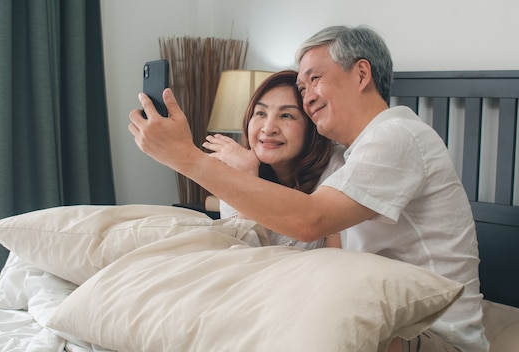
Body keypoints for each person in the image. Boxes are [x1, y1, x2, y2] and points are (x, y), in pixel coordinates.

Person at [129, 25, 489, 352]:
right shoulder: (351, 157)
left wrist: (186, 157)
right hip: (380, 317)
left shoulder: (397, 136)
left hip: (435, 333)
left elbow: (310, 220)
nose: (308, 97)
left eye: (314, 79)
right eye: (302, 88)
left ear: (361, 73)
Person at [203, 70, 344, 249]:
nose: (269, 128)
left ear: (311, 128)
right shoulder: (238, 170)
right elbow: (244, 258)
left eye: (286, 115)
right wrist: (247, 179)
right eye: (260, 113)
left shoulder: (338, 170)